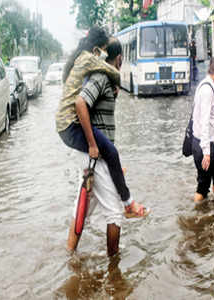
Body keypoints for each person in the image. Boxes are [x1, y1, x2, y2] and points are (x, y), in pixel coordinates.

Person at [66, 39, 147, 256]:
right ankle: (114, 270)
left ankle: (69, 255)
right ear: (119, 58)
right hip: (95, 154)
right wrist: (93, 144)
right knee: (114, 213)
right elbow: (80, 102)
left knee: (83, 206)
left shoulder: (105, 79)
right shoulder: (101, 77)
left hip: (96, 154)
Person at [192, 56, 214, 204]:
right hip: (202, 145)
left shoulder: (206, 86)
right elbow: (204, 122)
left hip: (201, 143)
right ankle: (198, 216)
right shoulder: (207, 90)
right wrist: (206, 152)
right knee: (204, 184)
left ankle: (213, 209)